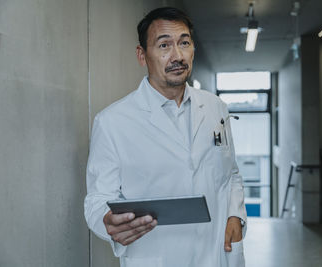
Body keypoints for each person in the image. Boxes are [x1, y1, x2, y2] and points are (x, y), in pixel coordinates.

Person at [84, 7, 246, 267]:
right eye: (164, 45)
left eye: (184, 43)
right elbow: (97, 198)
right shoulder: (113, 122)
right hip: (156, 256)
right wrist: (106, 220)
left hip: (216, 255)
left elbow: (231, 174)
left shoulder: (216, 108)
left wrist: (236, 215)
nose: (177, 56)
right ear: (142, 55)